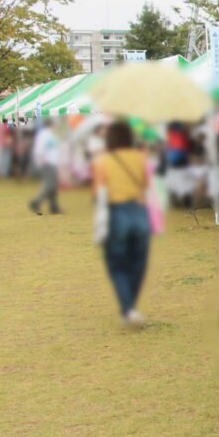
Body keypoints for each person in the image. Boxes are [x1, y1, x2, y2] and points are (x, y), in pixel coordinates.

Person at [92, 120, 151, 328]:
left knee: (117, 264)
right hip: (139, 211)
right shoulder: (140, 158)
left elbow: (98, 192)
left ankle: (128, 309)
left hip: (117, 213)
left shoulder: (102, 160)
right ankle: (131, 307)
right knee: (138, 263)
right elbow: (146, 185)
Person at [28, 119, 63, 215]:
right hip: (47, 162)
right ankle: (36, 201)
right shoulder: (44, 135)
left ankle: (54, 206)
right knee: (50, 184)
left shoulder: (51, 134)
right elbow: (39, 148)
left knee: (53, 185)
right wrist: (43, 159)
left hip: (52, 162)